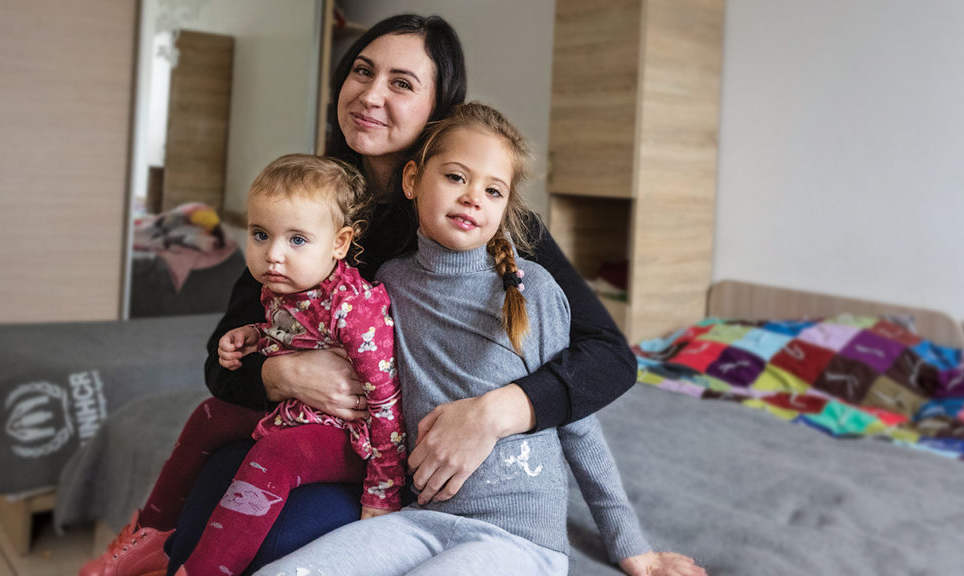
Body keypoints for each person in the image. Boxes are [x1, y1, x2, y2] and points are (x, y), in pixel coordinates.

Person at [166, 12, 640, 574]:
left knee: (273, 544)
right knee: (214, 488)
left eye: (401, 83)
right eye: (362, 71)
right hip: (302, 420)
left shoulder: (484, 221)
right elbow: (224, 358)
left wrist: (494, 413)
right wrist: (280, 375)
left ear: (437, 111)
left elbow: (608, 356)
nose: (370, 94)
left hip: (384, 457)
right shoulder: (313, 198)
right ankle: (158, 542)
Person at [255, 102, 702, 576]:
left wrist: (631, 545)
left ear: (505, 208)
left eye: (493, 190)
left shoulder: (536, 290)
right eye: (455, 177)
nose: (473, 197)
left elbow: (579, 424)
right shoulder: (387, 283)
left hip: (519, 539)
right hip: (419, 520)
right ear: (412, 181)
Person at [80, 155, 405, 576]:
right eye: (260, 234)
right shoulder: (283, 286)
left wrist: (382, 493)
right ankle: (151, 537)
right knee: (209, 414)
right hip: (299, 410)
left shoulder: (355, 308)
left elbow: (387, 405)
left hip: (349, 436)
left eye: (297, 240)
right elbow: (293, 332)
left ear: (339, 244)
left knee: (277, 454)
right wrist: (253, 333)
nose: (273, 255)